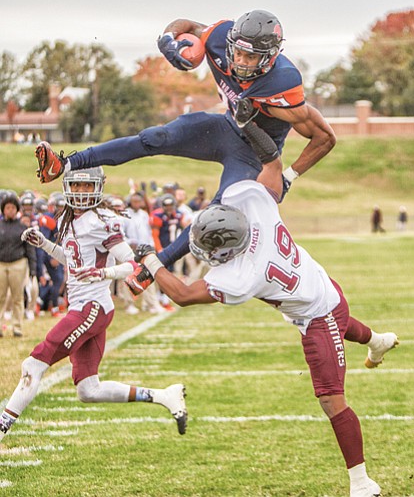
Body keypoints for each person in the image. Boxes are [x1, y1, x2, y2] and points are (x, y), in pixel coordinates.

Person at [126, 180, 398, 497]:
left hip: (317, 313)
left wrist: (150, 259)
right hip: (321, 284)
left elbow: (184, 295)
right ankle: (376, 341)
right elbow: (272, 166)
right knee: (340, 319)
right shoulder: (259, 210)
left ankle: (362, 483)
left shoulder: (241, 276)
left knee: (331, 399)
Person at [34, 9, 336, 272]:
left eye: (250, 56)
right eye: (238, 52)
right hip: (224, 128)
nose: (241, 61)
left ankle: (154, 266)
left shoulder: (283, 84)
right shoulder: (220, 37)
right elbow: (187, 25)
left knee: (218, 213)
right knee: (157, 137)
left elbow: (324, 137)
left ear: (270, 57)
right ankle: (65, 163)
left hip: (253, 153)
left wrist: (288, 176)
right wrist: (167, 39)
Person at [0, 167, 187, 442]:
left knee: (34, 364)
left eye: (88, 187)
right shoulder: (68, 219)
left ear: (98, 188)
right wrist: (45, 245)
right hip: (86, 306)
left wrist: (104, 273)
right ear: (68, 188)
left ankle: (3, 426)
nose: (81, 192)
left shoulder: (103, 220)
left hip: (91, 306)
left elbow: (130, 264)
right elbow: (74, 261)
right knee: (88, 390)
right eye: (76, 186)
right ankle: (165, 396)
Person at [0, 193, 37, 337]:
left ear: (17, 209)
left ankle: (17, 327)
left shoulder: (22, 227)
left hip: (18, 263)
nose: (10, 210)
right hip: (1, 264)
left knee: (17, 297)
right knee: (1, 296)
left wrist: (33, 269)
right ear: (3, 209)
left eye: (12, 207)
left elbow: (30, 249)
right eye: (7, 207)